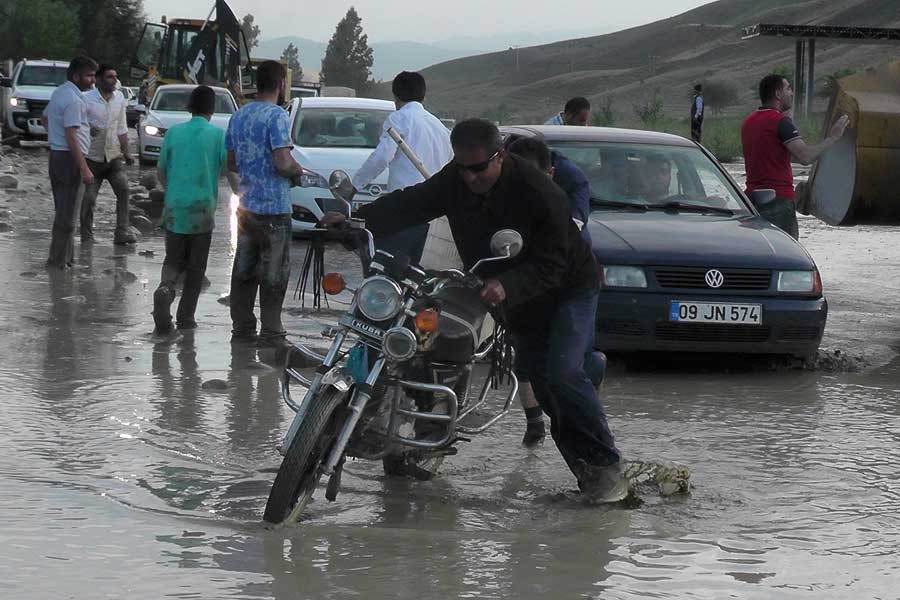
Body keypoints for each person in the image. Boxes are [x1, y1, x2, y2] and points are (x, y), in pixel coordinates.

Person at [322, 119, 627, 502]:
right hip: (511, 294)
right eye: (463, 169)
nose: (470, 179)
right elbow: (412, 203)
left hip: (567, 287)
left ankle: (607, 466)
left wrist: (508, 283)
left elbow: (556, 262)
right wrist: (359, 220)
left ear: (499, 156)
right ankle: (585, 470)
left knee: (562, 372)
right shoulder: (457, 178)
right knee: (544, 385)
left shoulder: (538, 192)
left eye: (479, 169)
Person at [506, 136, 607, 447]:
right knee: (526, 360)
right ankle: (535, 423)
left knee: (565, 367)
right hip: (526, 281)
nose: (519, 187)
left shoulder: (571, 184)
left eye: (528, 178)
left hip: (572, 282)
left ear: (549, 174)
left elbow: (568, 232)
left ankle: (594, 441)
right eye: (513, 178)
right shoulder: (498, 186)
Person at [225, 60, 302, 345]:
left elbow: (231, 162)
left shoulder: (239, 115)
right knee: (274, 273)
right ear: (281, 84)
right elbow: (283, 163)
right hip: (275, 209)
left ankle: (242, 333)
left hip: (247, 209)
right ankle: (271, 333)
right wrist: (298, 171)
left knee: (244, 270)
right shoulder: (277, 116)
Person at [152, 85, 238, 334]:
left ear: (189, 106)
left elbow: (160, 171)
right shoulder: (217, 136)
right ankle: (186, 319)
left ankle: (165, 290)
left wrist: (173, 193)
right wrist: (240, 193)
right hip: (202, 209)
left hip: (175, 208)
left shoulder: (173, 133)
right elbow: (228, 170)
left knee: (173, 260)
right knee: (196, 268)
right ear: (212, 108)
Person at [350, 71, 453, 264]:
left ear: (395, 95)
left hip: (404, 211)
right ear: (423, 95)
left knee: (387, 273)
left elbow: (382, 157)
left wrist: (354, 185)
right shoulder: (439, 127)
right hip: (434, 217)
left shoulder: (399, 119)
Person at [741, 74, 849, 239]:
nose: (792, 93)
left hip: (752, 201)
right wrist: (832, 138)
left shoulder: (748, 122)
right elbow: (805, 157)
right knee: (787, 256)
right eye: (788, 88)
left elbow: (771, 155)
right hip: (778, 202)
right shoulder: (780, 122)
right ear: (778, 94)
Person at [41, 56, 97, 268]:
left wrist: (54, 137)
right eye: (89, 76)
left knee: (64, 210)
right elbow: (71, 135)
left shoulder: (60, 92)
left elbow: (45, 117)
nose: (93, 80)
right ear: (76, 76)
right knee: (68, 214)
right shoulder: (73, 100)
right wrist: (84, 168)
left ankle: (67, 260)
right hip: (69, 159)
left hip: (58, 155)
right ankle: (57, 263)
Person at [81, 64, 136, 245]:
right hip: (92, 157)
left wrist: (127, 152)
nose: (114, 80)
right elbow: (77, 125)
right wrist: (89, 129)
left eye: (115, 77)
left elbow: (122, 127)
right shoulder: (86, 99)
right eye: (110, 77)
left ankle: (122, 231)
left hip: (113, 157)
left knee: (124, 190)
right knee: (89, 198)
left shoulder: (119, 98)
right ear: (98, 79)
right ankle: (87, 236)